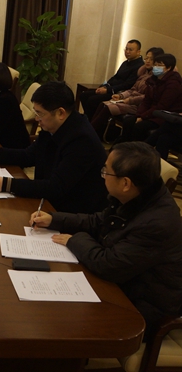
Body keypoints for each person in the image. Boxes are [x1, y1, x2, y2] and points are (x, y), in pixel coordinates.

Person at [30, 142, 182, 337]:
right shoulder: (139, 195)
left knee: (53, 322)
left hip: (141, 309)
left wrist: (74, 239)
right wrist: (54, 219)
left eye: (106, 171)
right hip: (121, 286)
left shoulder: (156, 223)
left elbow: (108, 265)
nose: (102, 175)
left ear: (125, 183)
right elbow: (98, 221)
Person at [0, 81, 107, 214]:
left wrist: (6, 184)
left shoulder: (82, 140)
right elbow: (29, 155)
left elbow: (55, 187)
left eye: (40, 114)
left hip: (73, 213)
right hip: (49, 205)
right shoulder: (53, 127)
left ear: (60, 113)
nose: (37, 119)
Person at [90, 47, 164, 140]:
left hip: (137, 105)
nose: (148, 61)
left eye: (151, 59)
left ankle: (91, 134)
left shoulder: (156, 78)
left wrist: (129, 100)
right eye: (147, 58)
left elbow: (146, 97)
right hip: (128, 100)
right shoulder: (143, 74)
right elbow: (132, 89)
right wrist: (121, 96)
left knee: (108, 107)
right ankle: (92, 132)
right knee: (103, 104)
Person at [118, 53, 182, 142]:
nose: (156, 67)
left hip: (163, 116)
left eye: (160, 65)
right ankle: (123, 146)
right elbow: (146, 101)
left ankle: (136, 148)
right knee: (128, 121)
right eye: (155, 64)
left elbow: (162, 106)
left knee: (139, 126)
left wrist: (143, 117)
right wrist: (139, 115)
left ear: (169, 68)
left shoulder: (173, 84)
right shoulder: (152, 80)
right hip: (150, 113)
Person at [80, 40, 144, 120]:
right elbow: (115, 77)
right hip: (111, 88)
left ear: (138, 52)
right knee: (84, 95)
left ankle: (92, 122)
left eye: (130, 50)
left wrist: (107, 90)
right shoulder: (125, 63)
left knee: (92, 100)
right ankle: (88, 119)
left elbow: (127, 85)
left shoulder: (140, 67)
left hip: (119, 92)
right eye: (126, 49)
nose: (127, 52)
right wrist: (105, 86)